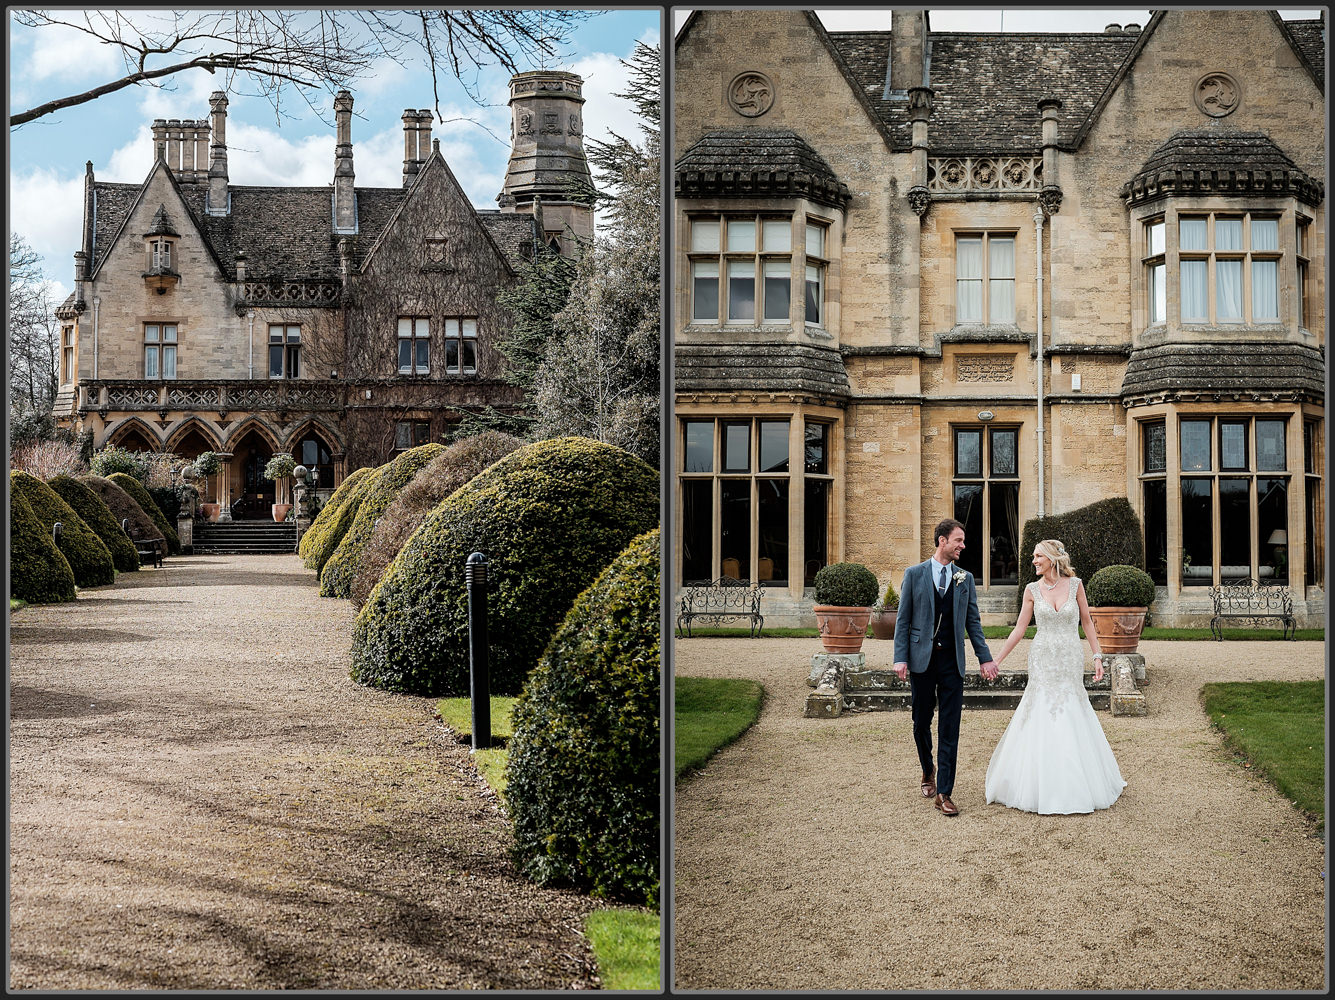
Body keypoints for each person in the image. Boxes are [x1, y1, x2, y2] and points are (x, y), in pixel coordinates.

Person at [984, 539, 1127, 814]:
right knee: (1041, 709)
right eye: (1034, 556)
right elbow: (1019, 630)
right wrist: (997, 660)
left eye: (1038, 556)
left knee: (1072, 707)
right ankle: (1039, 782)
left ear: (1052, 558)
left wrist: (1097, 656)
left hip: (1069, 659)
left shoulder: (1075, 585)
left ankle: (1080, 780)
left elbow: (1087, 621)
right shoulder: (1031, 590)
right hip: (1043, 660)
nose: (1034, 561)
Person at [893, 518, 998, 817]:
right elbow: (903, 620)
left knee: (950, 727)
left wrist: (985, 657)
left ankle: (944, 792)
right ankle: (928, 769)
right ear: (942, 541)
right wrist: (900, 657)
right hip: (921, 661)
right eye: (959, 540)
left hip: (953, 662)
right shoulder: (914, 575)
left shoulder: (965, 578)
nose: (963, 546)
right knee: (920, 721)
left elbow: (973, 623)